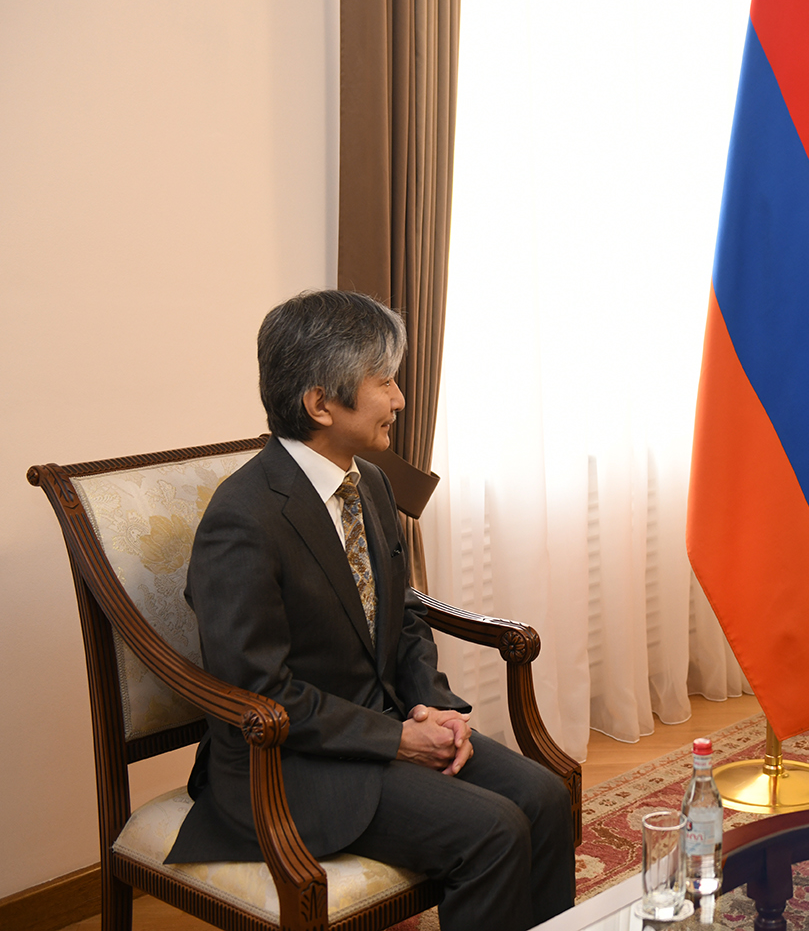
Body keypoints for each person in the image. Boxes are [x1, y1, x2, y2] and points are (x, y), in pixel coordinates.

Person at [166, 290, 575, 931]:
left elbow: (404, 617)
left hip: (380, 726)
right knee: (493, 831)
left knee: (544, 796)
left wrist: (431, 706)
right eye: (383, 381)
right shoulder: (242, 519)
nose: (400, 399)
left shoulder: (370, 483)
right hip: (288, 763)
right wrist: (399, 740)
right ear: (320, 404)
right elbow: (258, 689)